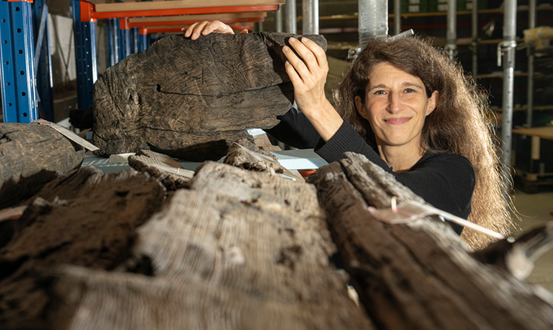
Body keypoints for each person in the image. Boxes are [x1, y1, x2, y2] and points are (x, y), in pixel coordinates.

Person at [184, 21, 516, 250]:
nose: (395, 104)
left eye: (410, 90)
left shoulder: (455, 171)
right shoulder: (353, 148)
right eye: (380, 91)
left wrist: (317, 104)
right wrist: (234, 53)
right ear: (361, 105)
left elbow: (396, 197)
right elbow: (286, 113)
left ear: (433, 102)